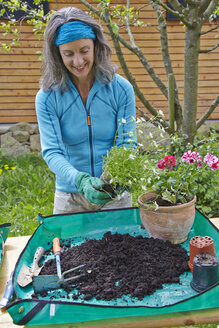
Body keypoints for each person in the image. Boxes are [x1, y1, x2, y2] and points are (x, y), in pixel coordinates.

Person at [35, 6, 136, 214]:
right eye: (68, 54)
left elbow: (127, 143)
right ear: (57, 54)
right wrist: (80, 180)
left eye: (84, 51)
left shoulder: (121, 89)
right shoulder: (47, 98)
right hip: (70, 196)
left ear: (95, 47)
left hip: (114, 194)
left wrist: (108, 182)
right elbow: (52, 152)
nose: (78, 61)